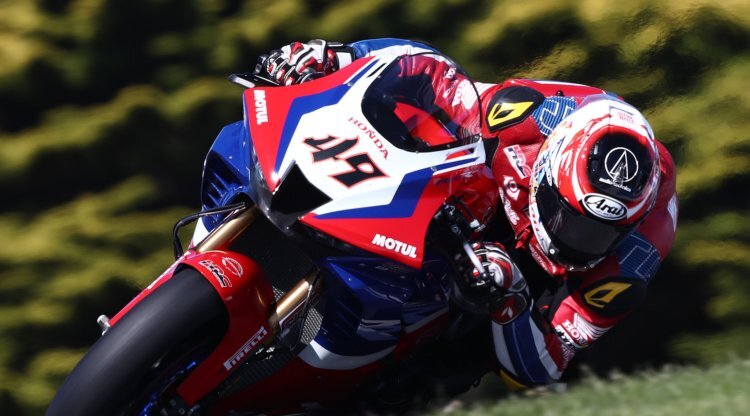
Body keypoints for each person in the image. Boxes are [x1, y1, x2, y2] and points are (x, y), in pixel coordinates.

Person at [253, 38, 678, 389]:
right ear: (547, 173)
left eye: (595, 234)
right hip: (480, 198)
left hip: (519, 280)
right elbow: (429, 77)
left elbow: (546, 367)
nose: (572, 240)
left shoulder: (637, 256)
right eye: (568, 218)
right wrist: (334, 57)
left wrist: (510, 298)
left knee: (453, 362)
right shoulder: (527, 113)